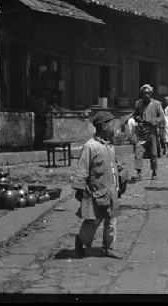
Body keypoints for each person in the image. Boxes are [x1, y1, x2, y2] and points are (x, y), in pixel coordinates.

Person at [71, 111, 127, 259]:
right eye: (112, 124)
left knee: (111, 222)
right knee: (93, 220)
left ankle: (108, 247)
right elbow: (82, 168)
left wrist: (120, 170)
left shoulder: (109, 146)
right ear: (103, 126)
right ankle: (81, 240)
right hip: (95, 192)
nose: (114, 127)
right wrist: (79, 188)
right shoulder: (90, 146)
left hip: (111, 191)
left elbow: (113, 163)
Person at [132, 84, 165, 181]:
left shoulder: (156, 104)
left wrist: (152, 121)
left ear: (151, 93)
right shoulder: (138, 103)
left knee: (153, 153)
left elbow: (162, 117)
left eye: (148, 93)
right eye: (144, 93)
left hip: (152, 132)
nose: (146, 95)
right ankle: (138, 173)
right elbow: (134, 115)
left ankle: (154, 172)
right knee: (138, 152)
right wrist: (137, 118)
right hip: (141, 132)